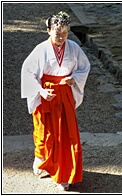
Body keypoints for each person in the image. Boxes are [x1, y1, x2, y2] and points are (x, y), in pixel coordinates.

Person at [21, 11, 90, 191]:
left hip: (65, 94)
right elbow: (28, 72)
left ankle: (64, 173)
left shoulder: (74, 48)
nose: (61, 37)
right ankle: (43, 160)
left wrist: (74, 78)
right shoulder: (41, 49)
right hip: (46, 94)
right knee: (45, 132)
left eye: (64, 33)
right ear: (48, 31)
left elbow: (84, 67)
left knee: (66, 134)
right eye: (57, 33)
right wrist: (41, 91)